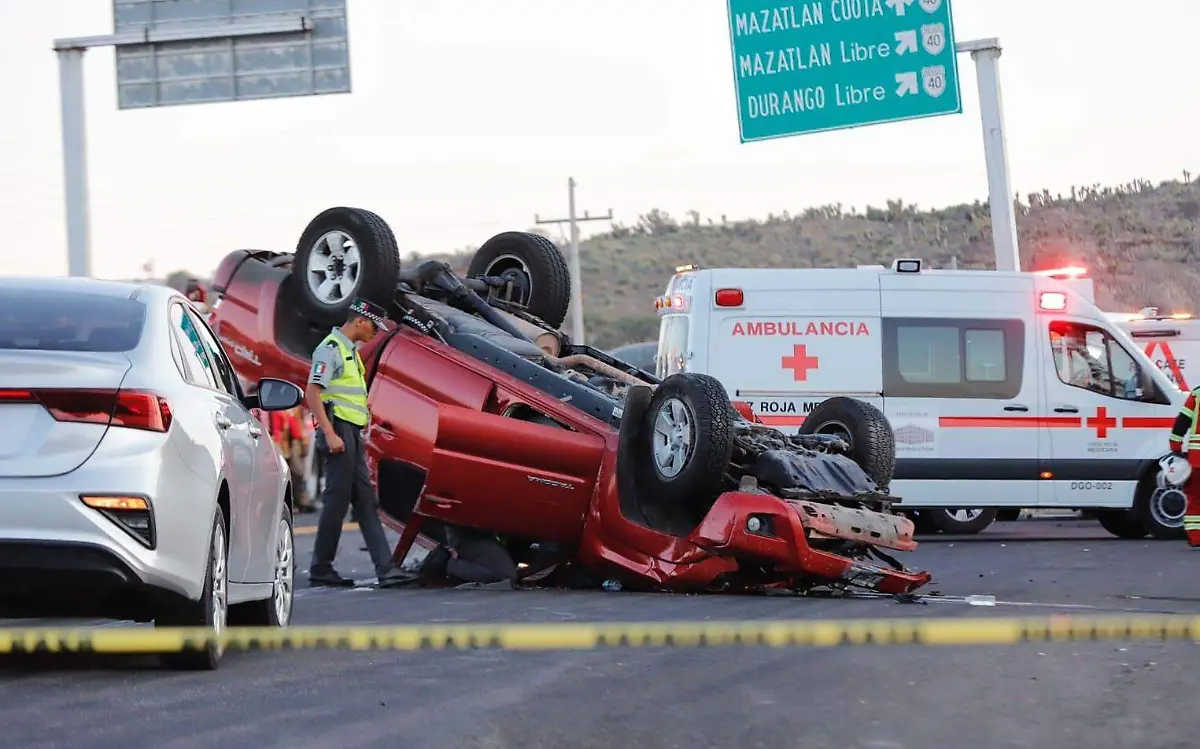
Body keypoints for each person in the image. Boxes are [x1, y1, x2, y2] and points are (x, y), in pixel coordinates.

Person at [306, 298, 407, 587]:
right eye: (374, 325)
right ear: (360, 321)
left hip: (350, 432)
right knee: (336, 503)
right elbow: (313, 392)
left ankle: (385, 569)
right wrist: (329, 433)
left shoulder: (350, 353)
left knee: (364, 500)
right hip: (338, 431)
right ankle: (320, 568)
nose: (376, 331)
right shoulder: (331, 349)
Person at [1167, 384, 1200, 546]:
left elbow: (1182, 421)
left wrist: (1175, 445)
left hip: (1198, 459)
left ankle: (1196, 537)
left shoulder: (1197, 394)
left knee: (1195, 498)